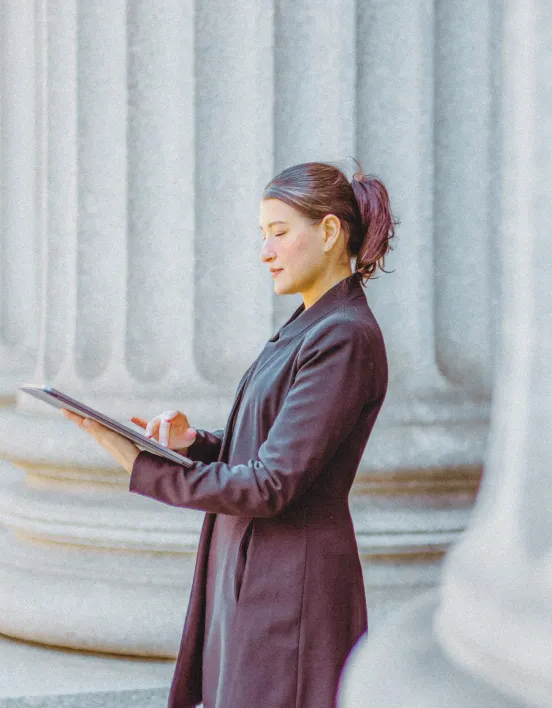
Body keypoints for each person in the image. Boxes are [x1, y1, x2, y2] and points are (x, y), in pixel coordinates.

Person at [62, 160, 394, 708]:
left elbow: (271, 484)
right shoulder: (310, 325)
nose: (265, 251)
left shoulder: (343, 337)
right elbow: (273, 444)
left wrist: (140, 465)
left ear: (330, 232)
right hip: (256, 570)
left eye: (279, 232)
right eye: (263, 235)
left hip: (291, 590)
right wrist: (193, 444)